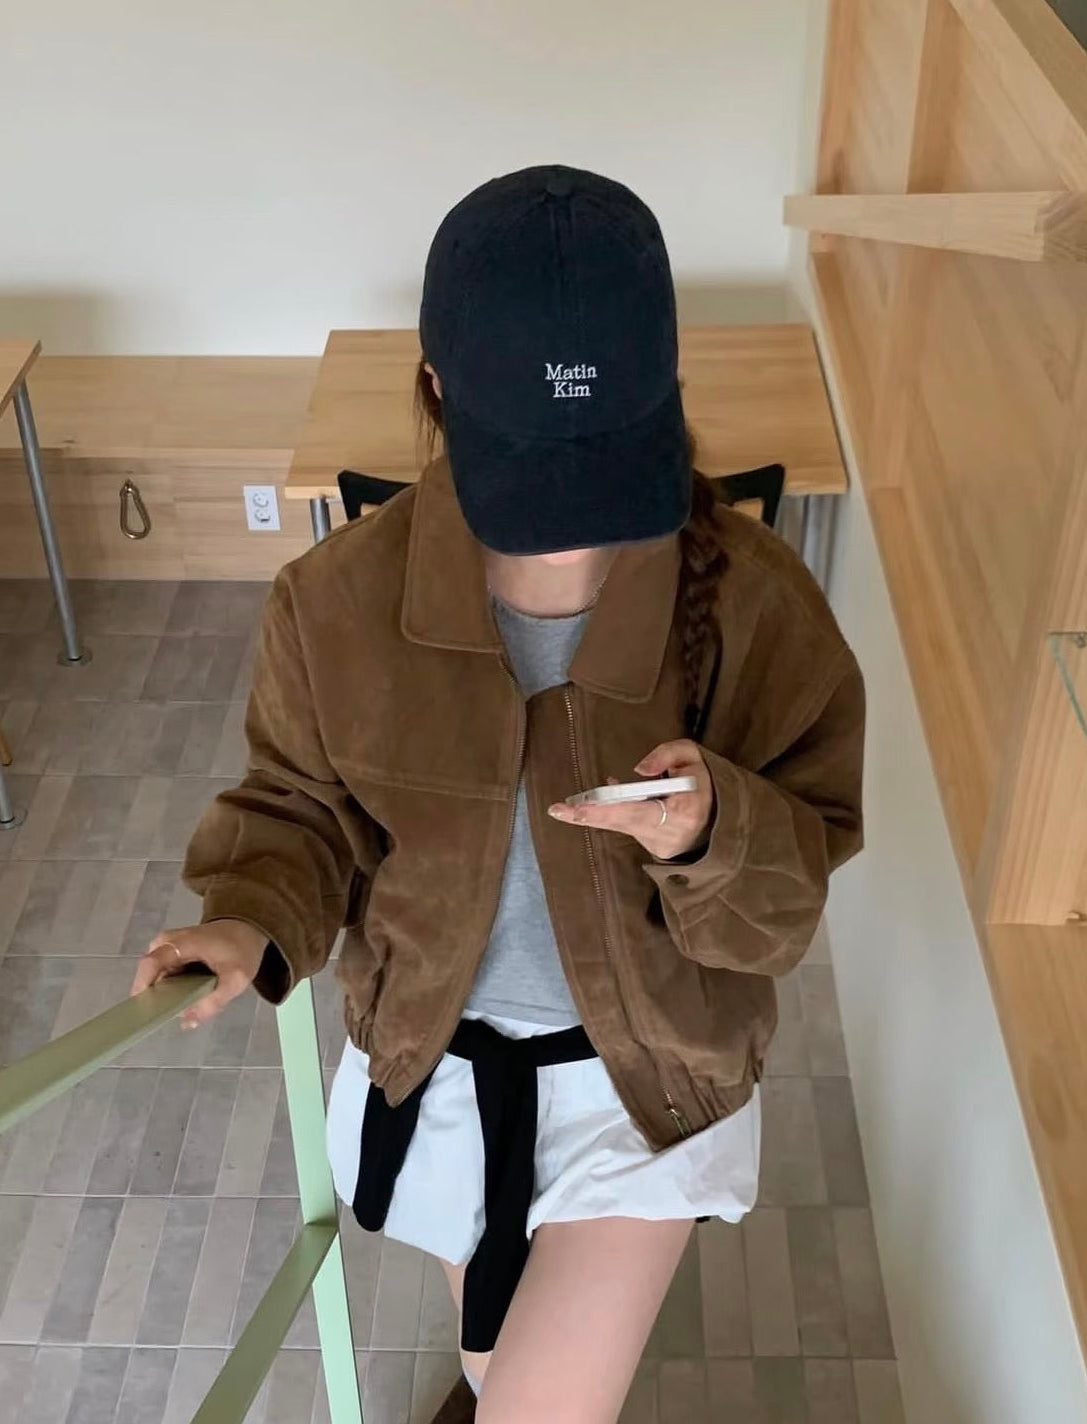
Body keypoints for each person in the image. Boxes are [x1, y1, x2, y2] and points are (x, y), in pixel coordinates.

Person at [131, 164, 864, 1424]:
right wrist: (251, 912)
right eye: (537, 473)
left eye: (601, 467)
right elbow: (299, 806)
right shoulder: (333, 602)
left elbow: (787, 901)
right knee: (492, 1365)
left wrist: (710, 831)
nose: (569, 528)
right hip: (436, 1058)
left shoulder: (755, 603)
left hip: (645, 1078)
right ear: (434, 389)